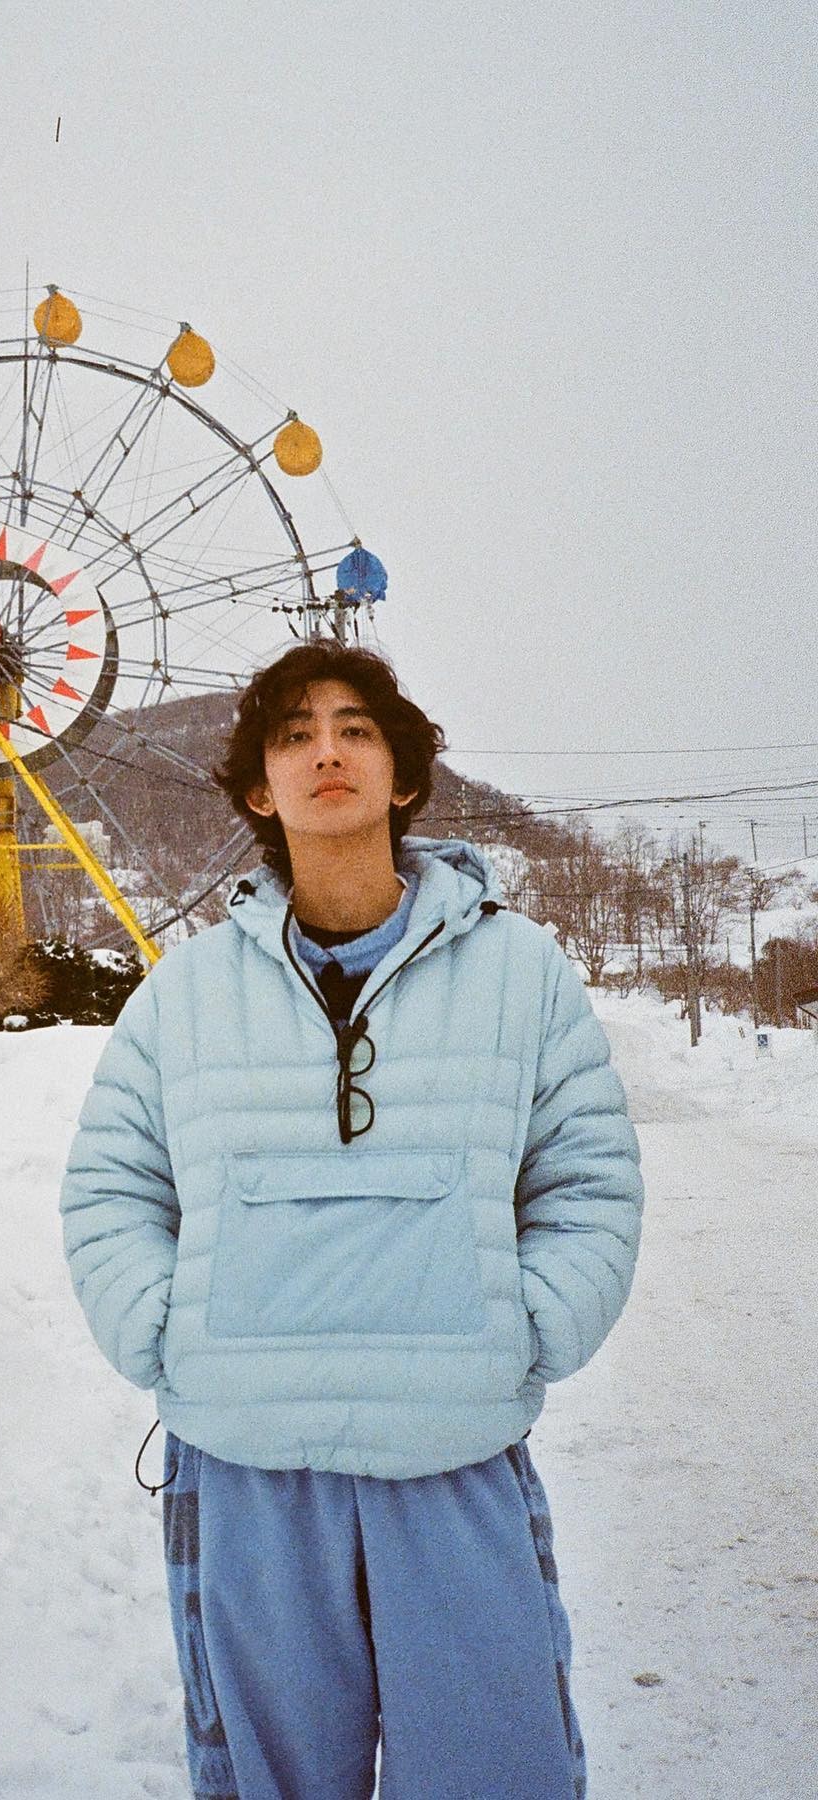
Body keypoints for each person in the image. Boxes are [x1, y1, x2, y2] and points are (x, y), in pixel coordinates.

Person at [58, 641, 643, 1800]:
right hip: (244, 1468)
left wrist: (523, 1326)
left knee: (495, 1771)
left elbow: (588, 1180)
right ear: (257, 790)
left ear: (407, 776)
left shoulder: (523, 974)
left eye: (357, 729)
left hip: (452, 1455)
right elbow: (111, 1189)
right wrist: (168, 1328)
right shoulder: (181, 996)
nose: (327, 750)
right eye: (293, 735)